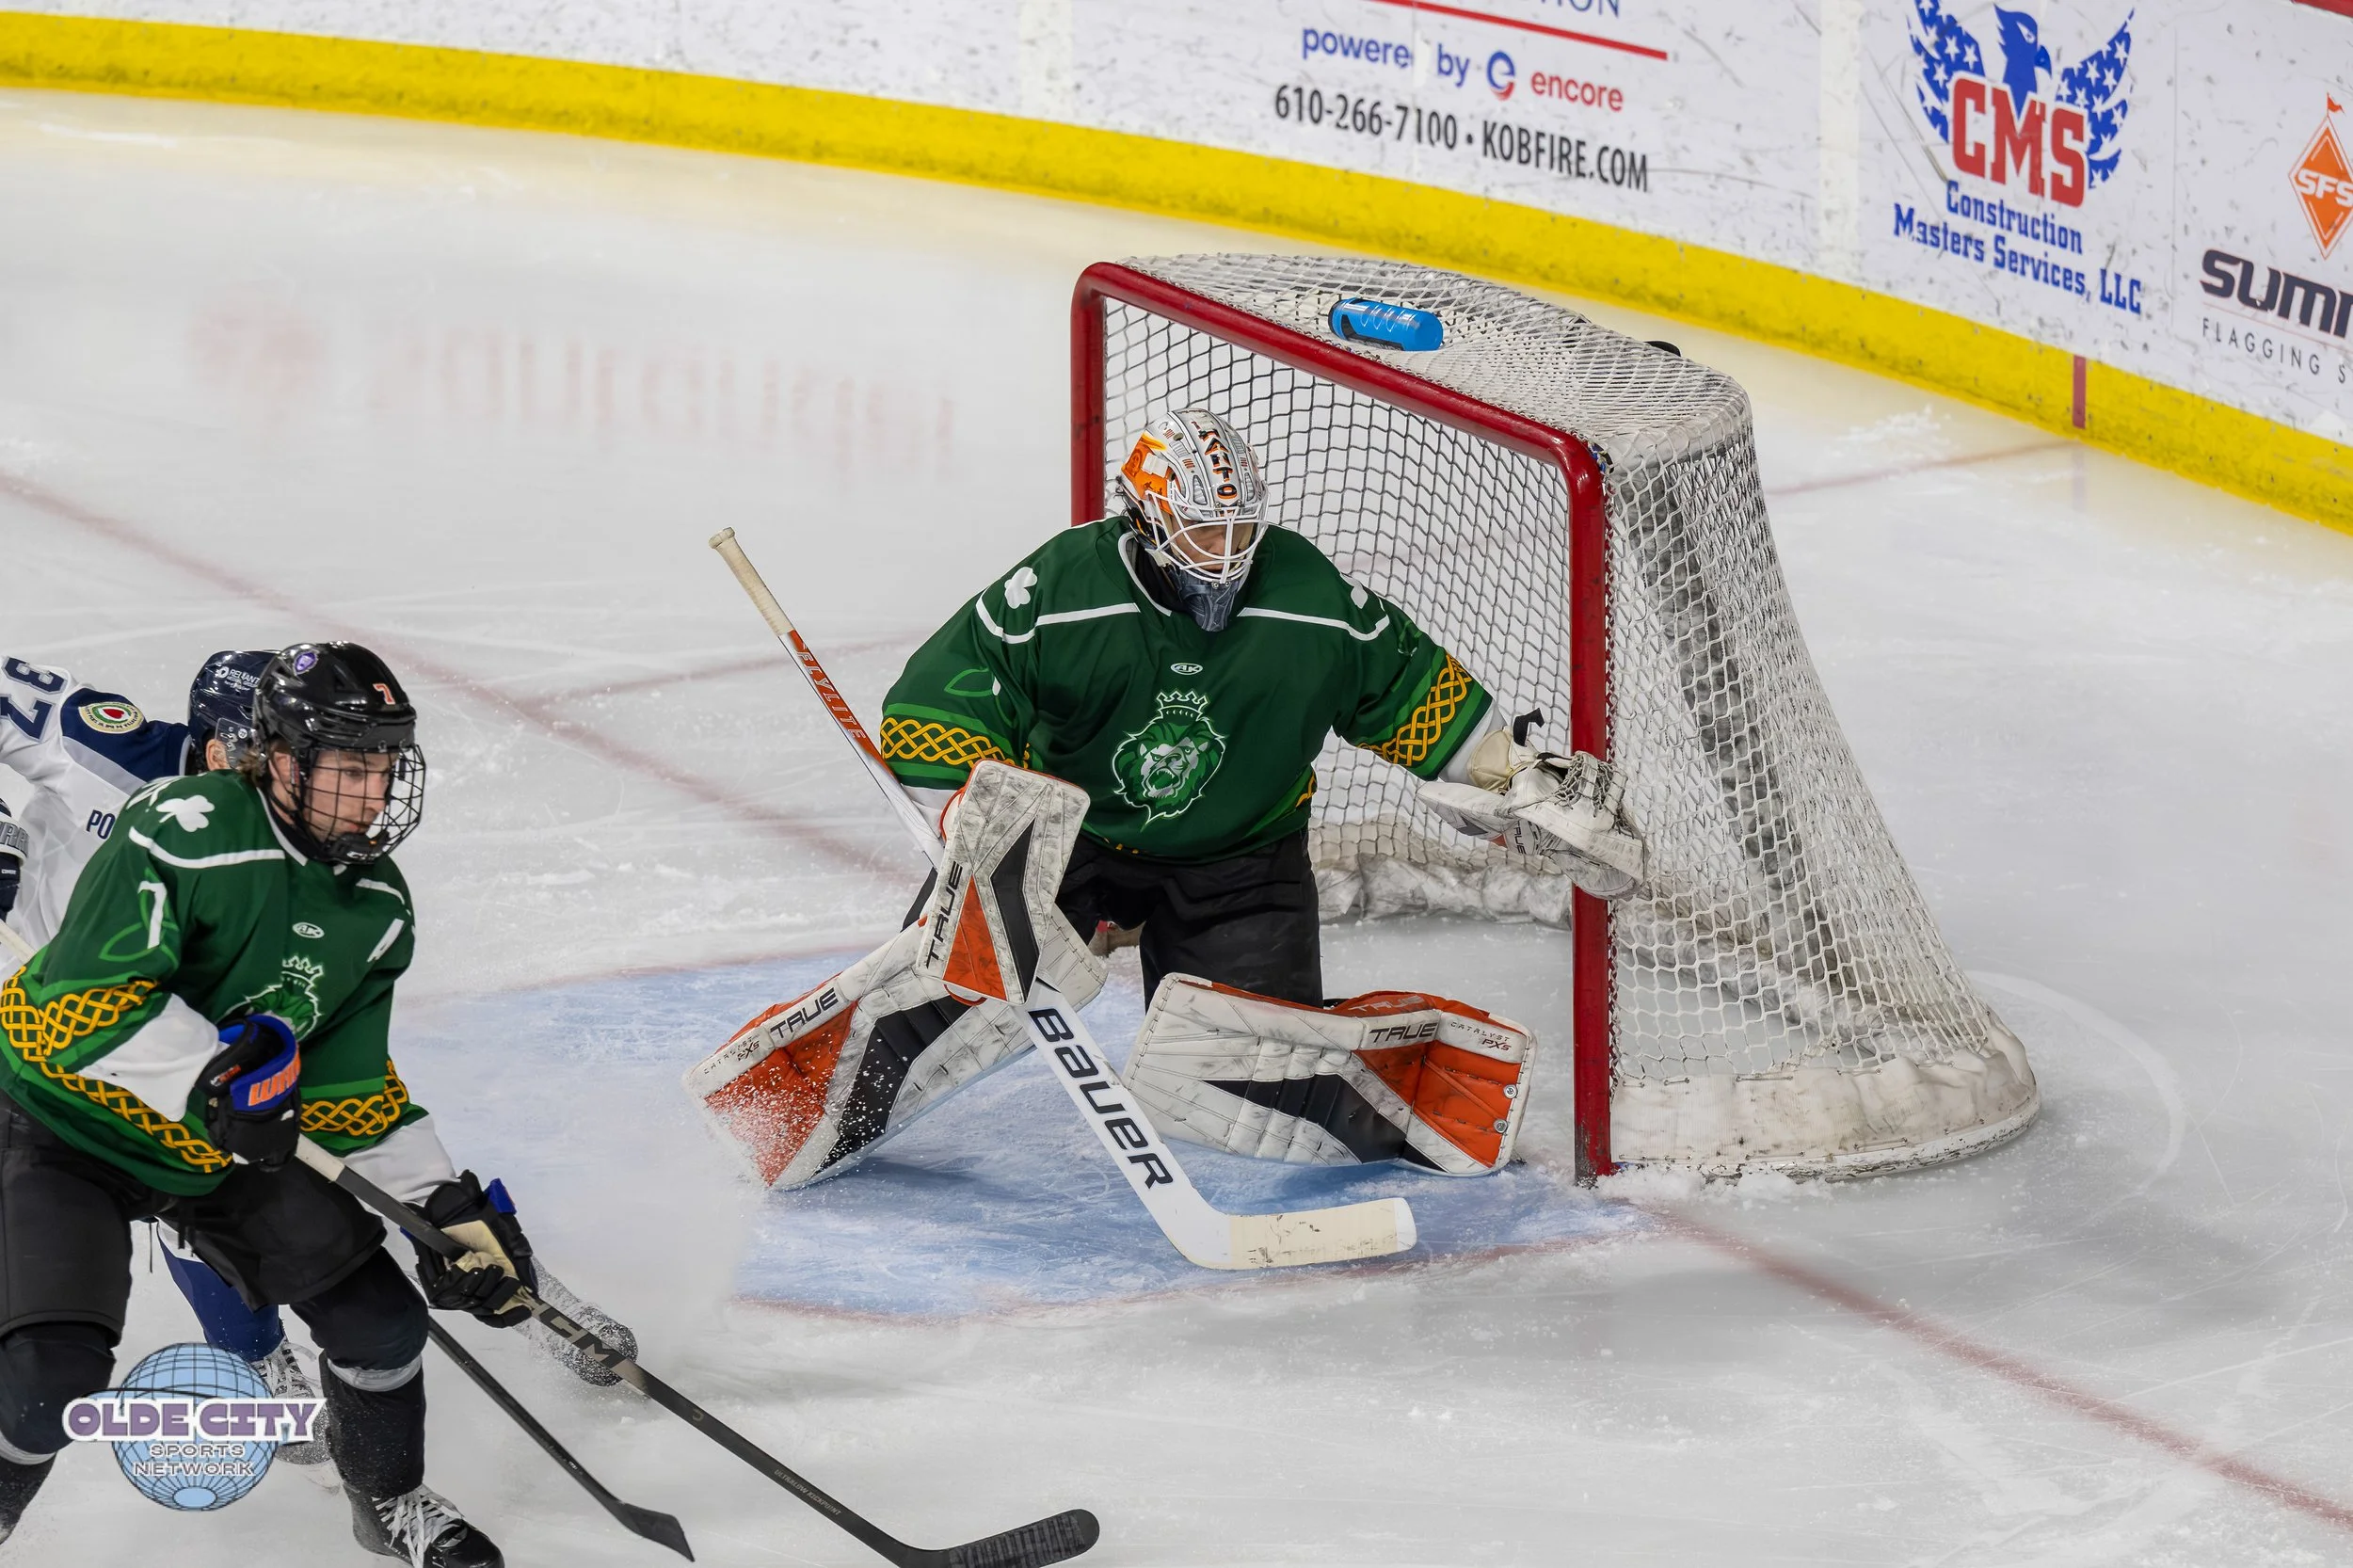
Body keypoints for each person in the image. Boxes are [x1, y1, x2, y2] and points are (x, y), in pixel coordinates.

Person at [0, 643, 515, 1563]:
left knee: (383, 1320)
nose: (373, 793)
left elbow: (350, 1087)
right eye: (348, 765)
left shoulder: (374, 906)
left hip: (210, 1144)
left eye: (383, 766)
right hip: (60, 1116)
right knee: (48, 1376)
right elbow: (81, 1002)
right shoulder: (175, 820)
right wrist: (212, 1079)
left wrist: (446, 1203)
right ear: (277, 757)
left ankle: (386, 1501)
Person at [876, 408, 1640, 1007]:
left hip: (1241, 860)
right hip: (1072, 839)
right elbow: (952, 690)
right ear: (1144, 519)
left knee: (1261, 1056)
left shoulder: (1308, 597)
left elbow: (1407, 691)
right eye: (1204, 531)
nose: (1227, 553)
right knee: (943, 998)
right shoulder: (1063, 588)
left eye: (1241, 528)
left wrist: (1505, 775)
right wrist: (971, 822)